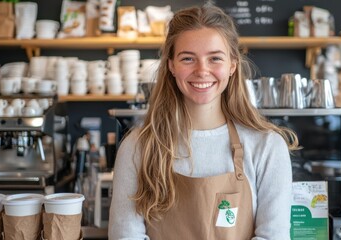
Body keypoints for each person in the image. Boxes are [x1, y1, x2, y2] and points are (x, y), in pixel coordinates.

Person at [109, 3, 299, 240]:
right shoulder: (139, 147)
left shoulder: (267, 146)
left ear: (232, 65)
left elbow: (274, 237)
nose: (202, 70)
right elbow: (125, 236)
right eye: (188, 58)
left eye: (215, 59)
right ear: (171, 66)